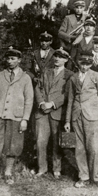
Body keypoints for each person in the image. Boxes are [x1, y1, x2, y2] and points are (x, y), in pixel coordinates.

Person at [65, 51, 98, 188]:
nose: (84, 67)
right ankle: (83, 176)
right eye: (82, 63)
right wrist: (67, 120)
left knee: (94, 147)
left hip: (93, 116)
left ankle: (96, 177)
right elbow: (71, 99)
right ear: (78, 63)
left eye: (88, 64)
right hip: (77, 115)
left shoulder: (96, 76)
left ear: (91, 64)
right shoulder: (73, 78)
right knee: (79, 147)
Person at [0, 47, 34, 185]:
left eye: (13, 59)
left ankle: (8, 172)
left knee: (13, 146)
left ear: (19, 60)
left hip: (16, 116)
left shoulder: (25, 78)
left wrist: (25, 119)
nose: (10, 61)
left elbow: (29, 100)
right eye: (8, 58)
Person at [34, 48, 73, 179]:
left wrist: (53, 104)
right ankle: (42, 168)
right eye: (56, 56)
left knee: (57, 142)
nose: (57, 59)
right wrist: (41, 103)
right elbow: (38, 88)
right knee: (40, 141)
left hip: (57, 112)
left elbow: (67, 94)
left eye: (61, 57)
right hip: (43, 112)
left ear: (66, 60)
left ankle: (57, 169)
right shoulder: (46, 71)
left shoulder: (70, 75)